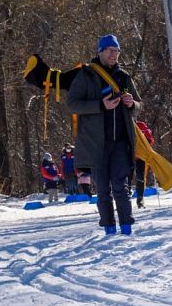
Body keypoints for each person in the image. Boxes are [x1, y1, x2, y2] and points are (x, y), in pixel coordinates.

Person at [66, 34, 141, 235]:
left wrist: (131, 103)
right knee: (103, 190)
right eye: (109, 50)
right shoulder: (86, 75)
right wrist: (101, 105)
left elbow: (139, 105)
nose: (113, 55)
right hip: (96, 144)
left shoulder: (124, 77)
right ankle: (109, 228)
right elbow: (72, 103)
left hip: (120, 142)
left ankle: (126, 228)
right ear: (99, 51)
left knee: (120, 186)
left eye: (116, 51)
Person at [134, 121, 154, 208]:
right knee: (126, 177)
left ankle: (140, 199)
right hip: (126, 155)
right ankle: (124, 200)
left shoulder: (140, 125)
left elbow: (150, 137)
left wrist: (148, 141)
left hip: (140, 156)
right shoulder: (122, 124)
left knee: (141, 177)